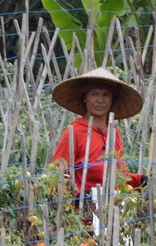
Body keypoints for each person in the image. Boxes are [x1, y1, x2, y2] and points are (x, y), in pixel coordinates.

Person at [49, 67, 146, 202]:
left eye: (106, 95)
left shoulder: (114, 132)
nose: (100, 100)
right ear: (84, 98)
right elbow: (56, 176)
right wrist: (78, 198)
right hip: (83, 215)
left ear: (112, 100)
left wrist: (140, 180)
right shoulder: (74, 132)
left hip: (114, 211)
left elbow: (119, 176)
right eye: (94, 94)